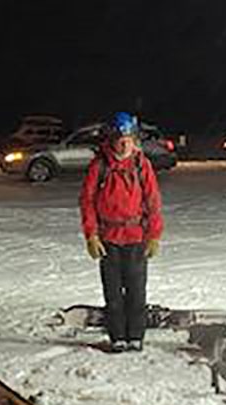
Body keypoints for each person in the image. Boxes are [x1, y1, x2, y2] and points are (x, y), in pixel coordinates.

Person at [79, 111, 164, 352]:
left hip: (136, 237)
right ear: (112, 140)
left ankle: (135, 336)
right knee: (113, 293)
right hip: (108, 239)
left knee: (137, 291)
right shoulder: (100, 166)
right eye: (119, 138)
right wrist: (91, 235)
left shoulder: (141, 164)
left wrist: (154, 235)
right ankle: (117, 336)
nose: (124, 143)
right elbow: (87, 201)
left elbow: (153, 201)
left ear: (134, 139)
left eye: (128, 138)